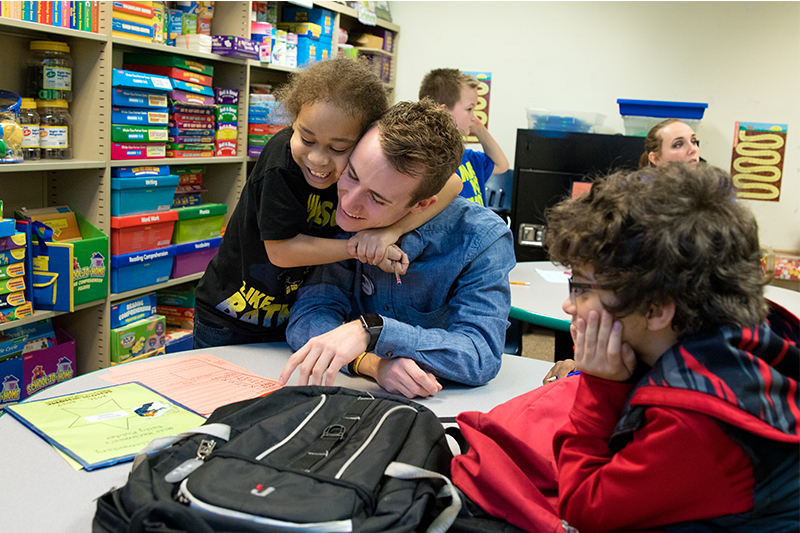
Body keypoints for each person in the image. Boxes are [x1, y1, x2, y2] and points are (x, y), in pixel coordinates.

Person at [452, 163, 799, 533]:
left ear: (656, 309)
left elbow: (584, 509)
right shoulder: (733, 331)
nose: (569, 305)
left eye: (582, 289)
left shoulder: (695, 420)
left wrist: (600, 387)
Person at [193, 60, 460, 349]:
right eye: (306, 138)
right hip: (227, 320)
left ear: (362, 142)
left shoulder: (361, 166)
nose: (318, 159)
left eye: (338, 149)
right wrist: (358, 247)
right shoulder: (281, 166)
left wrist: (387, 233)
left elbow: (452, 183)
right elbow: (281, 251)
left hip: (292, 319)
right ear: (293, 123)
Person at [278, 99, 516, 399]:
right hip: (356, 398)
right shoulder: (342, 214)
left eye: (377, 199)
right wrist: (371, 364)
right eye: (351, 175)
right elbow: (309, 314)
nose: (348, 204)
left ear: (422, 204)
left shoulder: (482, 239)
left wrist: (372, 330)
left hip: (446, 405)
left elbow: (480, 354)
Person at [418, 68, 509, 206]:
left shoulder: (466, 156)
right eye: (469, 109)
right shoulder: (430, 163)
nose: (474, 117)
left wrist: (478, 127)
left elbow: (501, 165)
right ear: (443, 112)